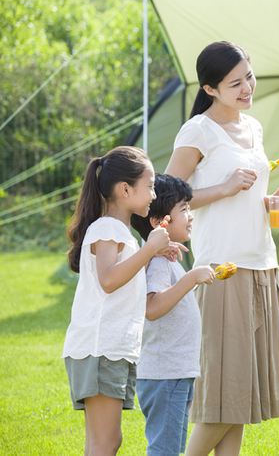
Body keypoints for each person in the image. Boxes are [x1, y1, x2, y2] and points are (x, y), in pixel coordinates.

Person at [164, 41, 279, 456]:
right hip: (222, 270)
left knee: (237, 399)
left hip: (262, 264)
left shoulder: (252, 128)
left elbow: (248, 193)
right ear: (210, 88)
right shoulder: (198, 130)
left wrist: (271, 203)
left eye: (249, 77)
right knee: (221, 398)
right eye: (235, 83)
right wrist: (221, 188)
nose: (247, 88)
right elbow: (165, 199)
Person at [63, 146, 180, 456]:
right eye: (151, 185)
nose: (154, 194)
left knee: (100, 442)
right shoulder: (107, 228)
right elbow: (109, 279)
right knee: (107, 442)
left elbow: (120, 272)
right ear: (125, 189)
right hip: (101, 348)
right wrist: (149, 247)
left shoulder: (119, 232)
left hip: (109, 349)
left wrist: (151, 251)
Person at [130, 173, 216, 456]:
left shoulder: (165, 259)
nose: (190, 216)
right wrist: (191, 279)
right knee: (164, 450)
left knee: (172, 449)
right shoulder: (158, 263)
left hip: (176, 372)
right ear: (159, 222)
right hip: (164, 374)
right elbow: (152, 308)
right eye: (184, 209)